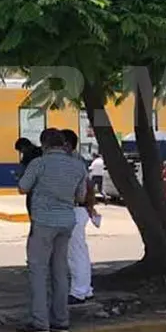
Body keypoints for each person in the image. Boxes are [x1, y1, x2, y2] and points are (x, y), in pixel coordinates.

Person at [18, 128, 89, 332]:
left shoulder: (39, 163)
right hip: (67, 222)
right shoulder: (78, 166)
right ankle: (61, 320)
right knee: (60, 270)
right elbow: (82, 196)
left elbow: (23, 187)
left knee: (38, 270)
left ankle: (40, 322)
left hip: (43, 222)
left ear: (44, 145)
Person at [62, 129, 98, 305]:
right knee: (79, 252)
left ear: (67, 145)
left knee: (75, 253)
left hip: (75, 209)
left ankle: (79, 291)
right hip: (78, 209)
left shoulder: (72, 163)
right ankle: (86, 288)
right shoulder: (77, 161)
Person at [15, 137, 44, 214]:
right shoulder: (41, 152)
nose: (21, 152)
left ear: (24, 147)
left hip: (35, 190)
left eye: (21, 150)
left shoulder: (31, 157)